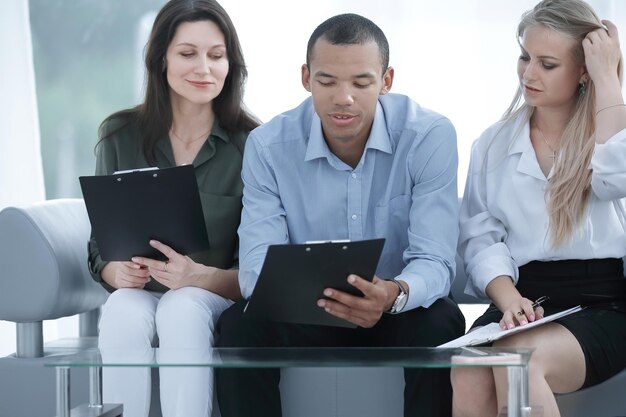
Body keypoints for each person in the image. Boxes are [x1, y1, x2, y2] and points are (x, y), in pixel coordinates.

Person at [214, 13, 465, 417]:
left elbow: (435, 260)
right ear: (305, 77)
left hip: (394, 307)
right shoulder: (267, 147)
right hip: (304, 309)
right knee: (239, 327)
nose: (343, 98)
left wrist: (392, 294)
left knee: (440, 323)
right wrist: (312, 300)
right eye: (327, 81)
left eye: (361, 83)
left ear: (387, 80)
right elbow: (255, 269)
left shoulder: (428, 135)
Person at [452, 1, 626, 416]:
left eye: (547, 64)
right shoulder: (493, 143)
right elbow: (480, 238)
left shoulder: (614, 133)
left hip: (603, 301)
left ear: (583, 70)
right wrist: (509, 298)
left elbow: (615, 179)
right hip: (520, 297)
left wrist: (608, 78)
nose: (529, 74)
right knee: (469, 369)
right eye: (525, 57)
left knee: (518, 359)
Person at [87, 0, 260, 416]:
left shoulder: (254, 145)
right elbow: (98, 246)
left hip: (211, 296)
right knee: (122, 310)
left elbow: (257, 271)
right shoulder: (118, 136)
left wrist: (197, 277)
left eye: (216, 56)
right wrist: (115, 271)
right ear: (160, 58)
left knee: (182, 307)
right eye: (188, 54)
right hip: (142, 293)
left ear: (230, 65)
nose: (204, 68)